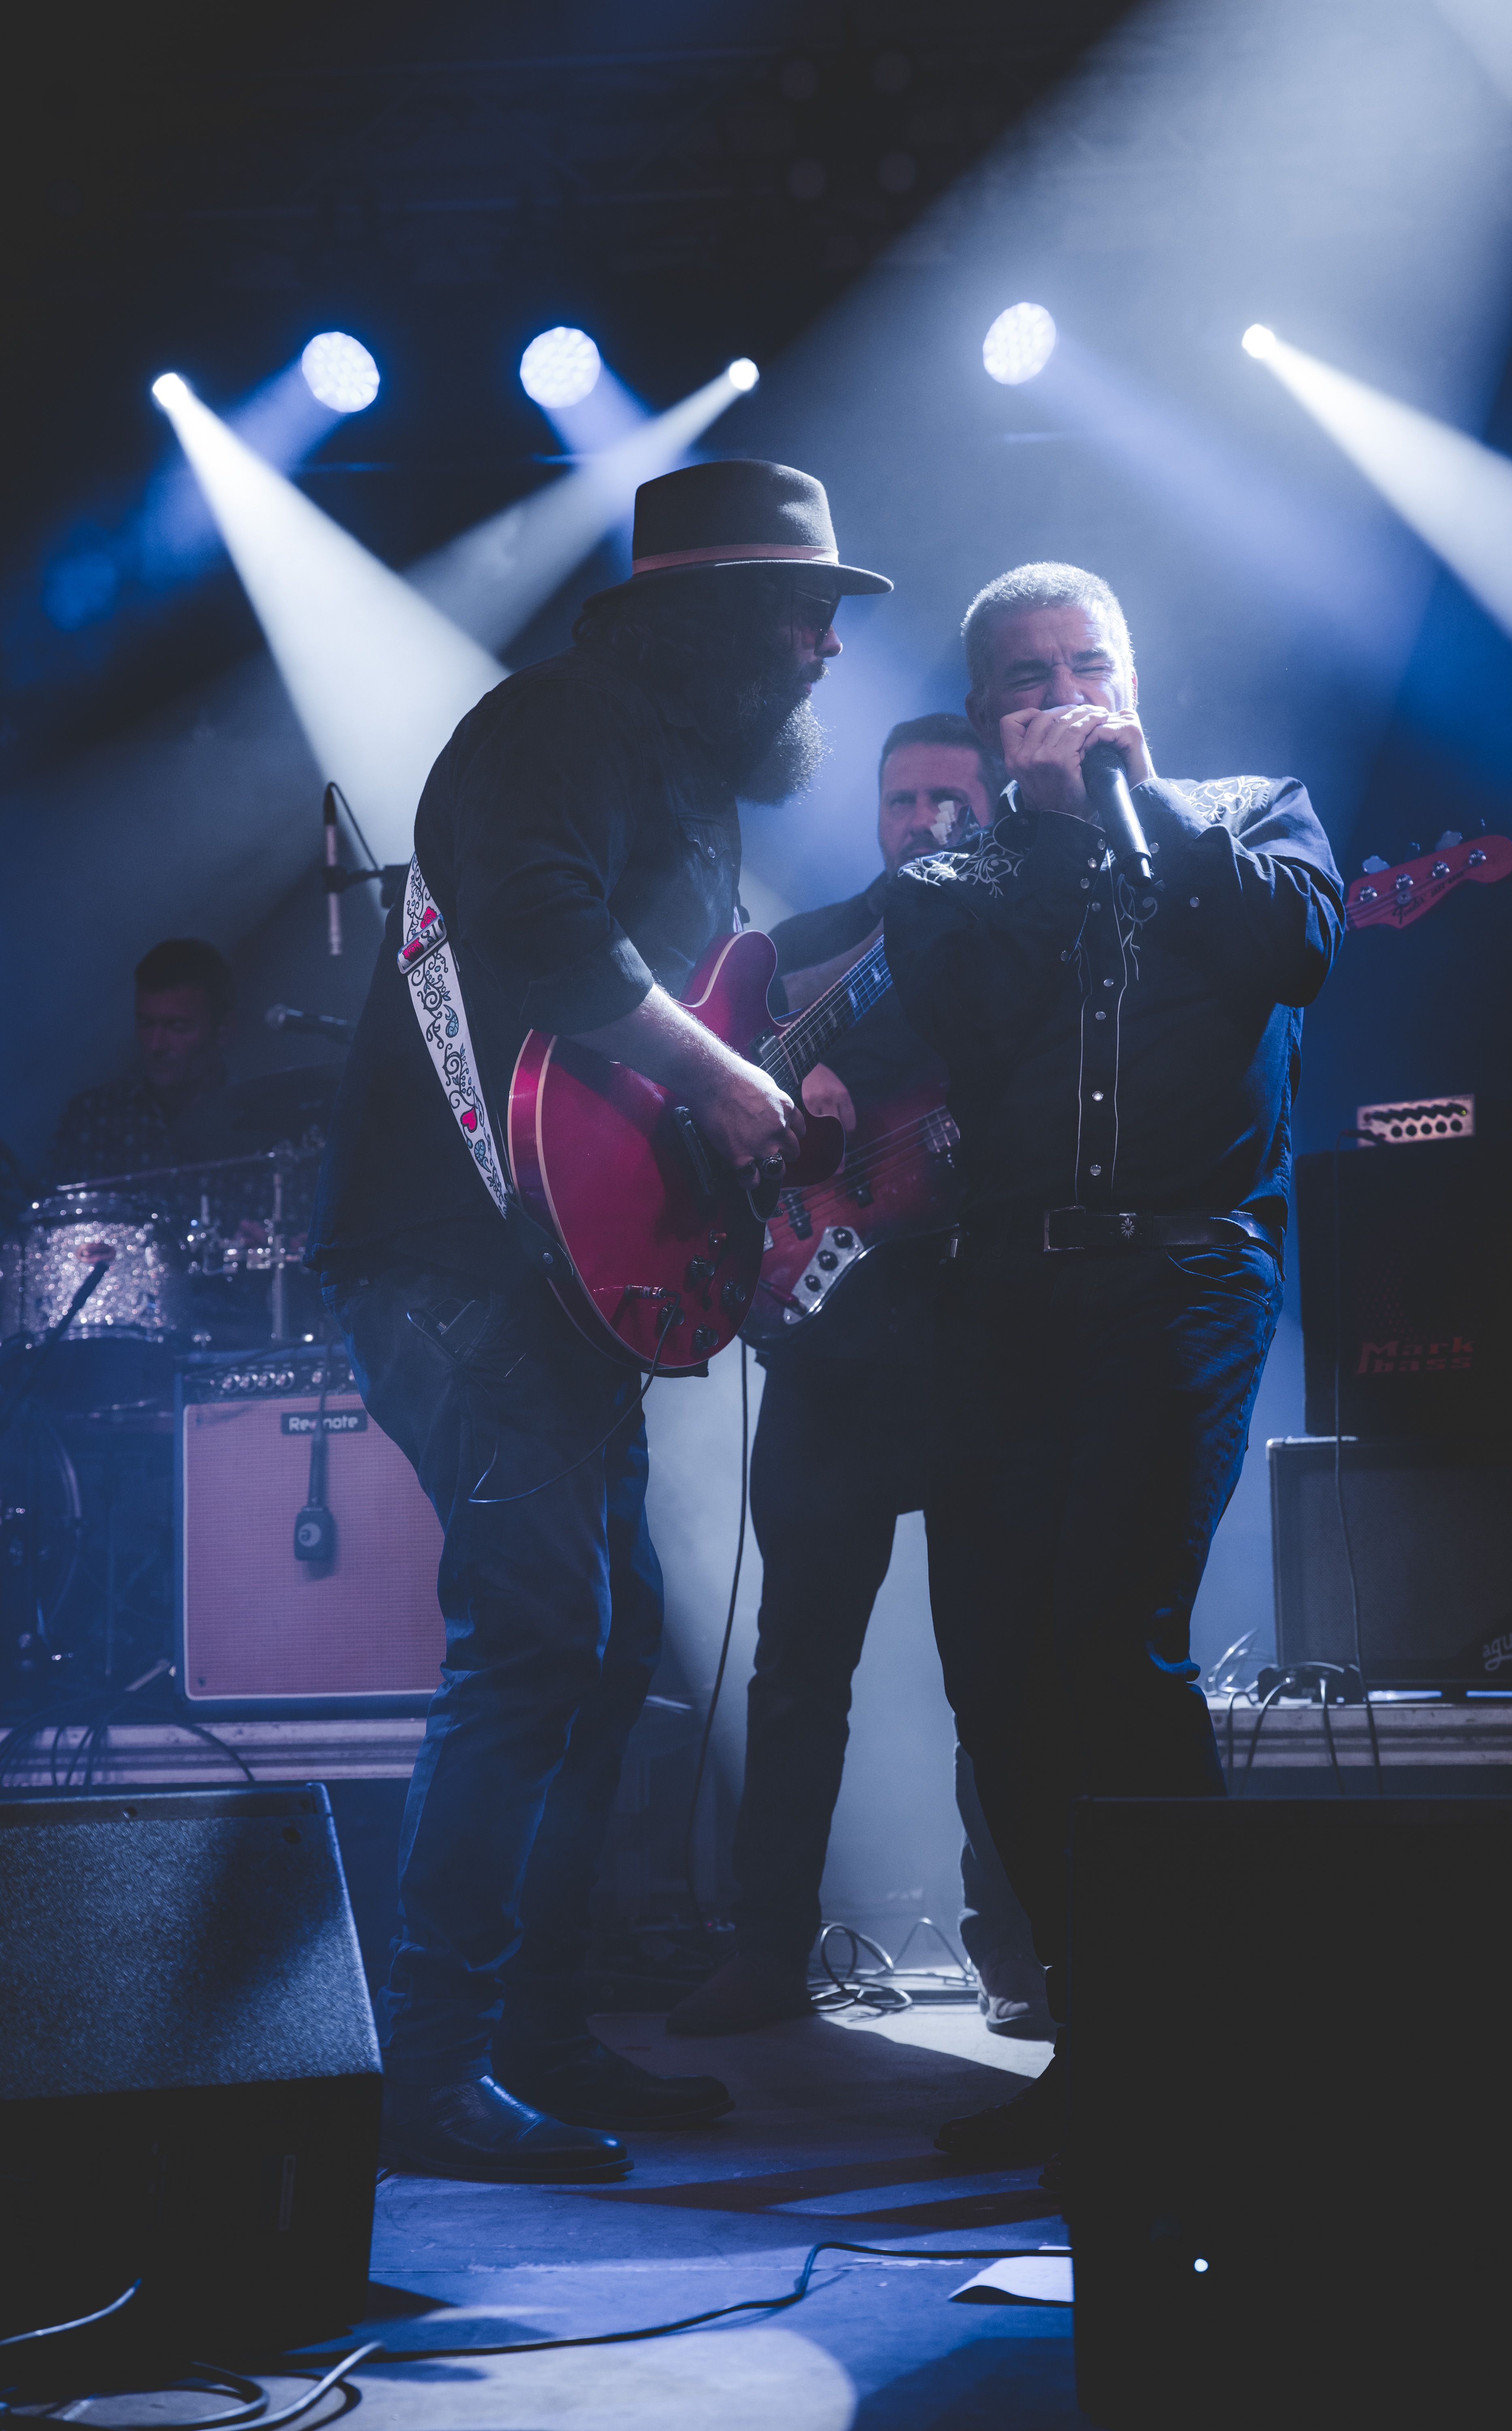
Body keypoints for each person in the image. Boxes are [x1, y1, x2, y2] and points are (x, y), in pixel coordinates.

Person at [306, 459, 892, 2184]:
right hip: (447, 1256)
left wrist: (886, 931)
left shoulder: (692, 796)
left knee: (609, 1639)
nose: (819, 647)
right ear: (708, 617)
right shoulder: (554, 726)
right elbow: (538, 928)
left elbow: (706, 1007)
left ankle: (536, 2042)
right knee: (538, 1634)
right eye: (800, 613)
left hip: (550, 1280)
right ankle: (427, 2067)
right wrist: (725, 1086)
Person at [883, 562, 1344, 2169]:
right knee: (996, 1666)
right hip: (1005, 1295)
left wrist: (1142, 808)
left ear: (1131, 677)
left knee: (1111, 1638)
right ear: (986, 713)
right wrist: (1051, 831)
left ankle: (1190, 2040)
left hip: (1186, 1271)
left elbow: (1294, 957)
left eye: (1085, 664)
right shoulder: (949, 882)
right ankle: (1101, 2031)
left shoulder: (1253, 810)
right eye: (1027, 677)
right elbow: (981, 1020)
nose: (1063, 693)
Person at [666, 713, 1052, 2042]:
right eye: (905, 800)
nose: (927, 822)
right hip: (831, 1344)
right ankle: (768, 1954)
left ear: (994, 807)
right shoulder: (805, 946)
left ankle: (1020, 1955)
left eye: (953, 800)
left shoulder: (1032, 923)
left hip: (983, 1332)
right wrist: (794, 1091)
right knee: (797, 1669)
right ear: (877, 811)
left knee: (999, 1672)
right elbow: (728, 1109)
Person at [51, 938, 237, 1183]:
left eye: (177, 1027)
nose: (155, 1045)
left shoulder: (259, 1121)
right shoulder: (90, 1120)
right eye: (146, 1024)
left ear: (222, 1032)